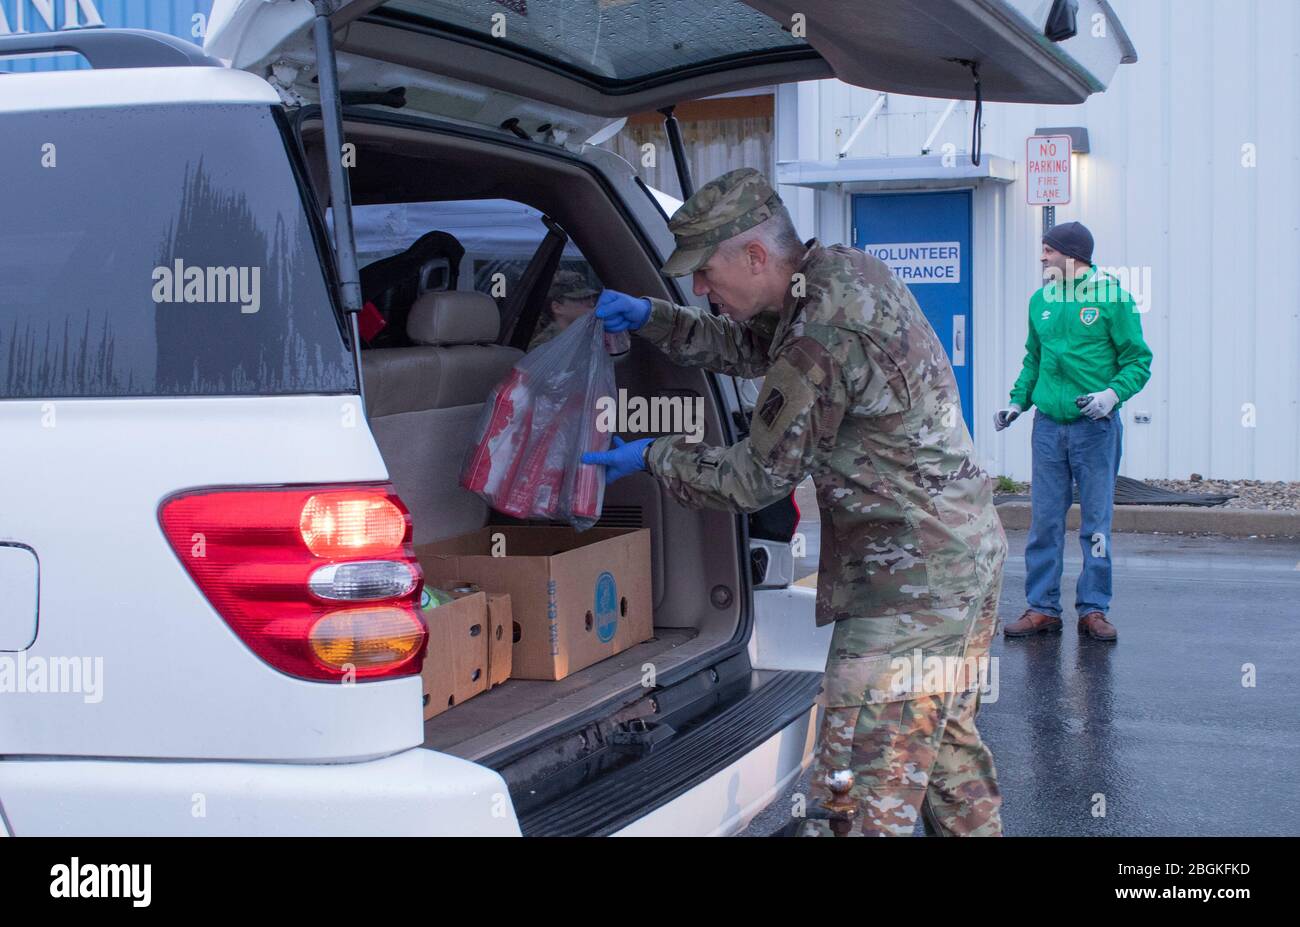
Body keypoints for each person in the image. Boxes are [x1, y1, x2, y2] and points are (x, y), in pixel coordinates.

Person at [582, 168, 1007, 836]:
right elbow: (755, 346)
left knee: (858, 790)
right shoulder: (836, 274)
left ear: (755, 256)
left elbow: (757, 477)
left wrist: (653, 456)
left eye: (704, 271)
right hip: (958, 560)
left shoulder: (822, 331)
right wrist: (657, 321)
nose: (699, 287)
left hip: (910, 588)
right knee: (944, 751)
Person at [994, 222, 1152, 642]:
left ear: (1072, 255)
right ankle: (1041, 608)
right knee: (1044, 522)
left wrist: (1112, 396)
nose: (1042, 257)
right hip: (1047, 427)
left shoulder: (1112, 297)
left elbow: (1138, 361)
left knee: (1095, 524)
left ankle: (1094, 609)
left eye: (1048, 250)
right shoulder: (1041, 300)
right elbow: (1034, 359)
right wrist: (1017, 401)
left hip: (1095, 428)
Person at [526, 270, 601, 350]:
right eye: (581, 299)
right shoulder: (544, 346)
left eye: (590, 298)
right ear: (557, 307)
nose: (591, 304)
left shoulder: (587, 335)